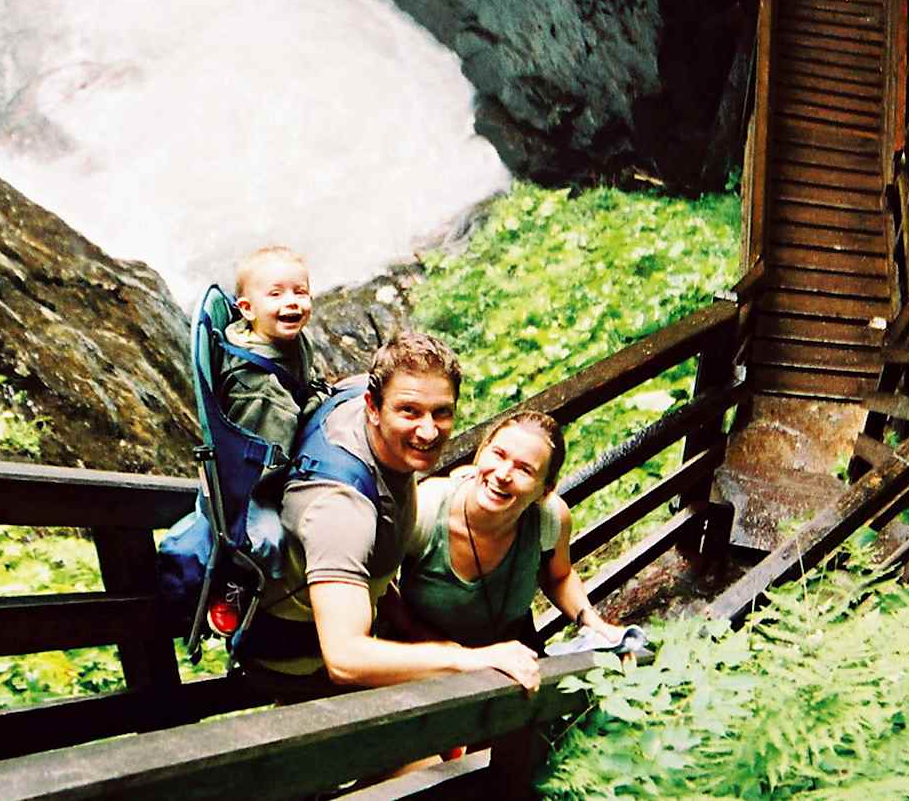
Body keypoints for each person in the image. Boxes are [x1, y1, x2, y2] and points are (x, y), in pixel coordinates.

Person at [237, 331, 542, 702]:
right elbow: (346, 659)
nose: (429, 431)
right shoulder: (339, 508)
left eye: (442, 412)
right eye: (409, 411)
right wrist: (470, 659)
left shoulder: (354, 400)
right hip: (300, 663)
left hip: (348, 616)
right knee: (431, 757)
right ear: (372, 406)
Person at [397, 411, 625, 652]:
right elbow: (381, 589)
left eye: (525, 470)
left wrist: (591, 621)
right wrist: (449, 652)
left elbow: (559, 577)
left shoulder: (549, 518)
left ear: (545, 489)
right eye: (498, 454)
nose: (503, 474)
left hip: (514, 658)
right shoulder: (425, 508)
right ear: (481, 452)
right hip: (423, 662)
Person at [220, 245, 319, 450]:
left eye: (300, 292)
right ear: (247, 309)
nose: (292, 301)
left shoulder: (287, 338)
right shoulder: (261, 390)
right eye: (276, 294)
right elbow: (266, 465)